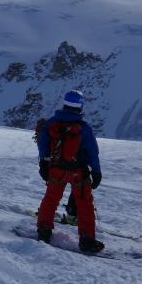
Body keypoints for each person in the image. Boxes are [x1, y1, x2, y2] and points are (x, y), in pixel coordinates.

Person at [36, 90, 104, 253]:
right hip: (78, 172)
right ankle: (87, 239)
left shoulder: (52, 123)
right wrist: (96, 172)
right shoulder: (84, 128)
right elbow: (93, 152)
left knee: (51, 199)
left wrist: (43, 165)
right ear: (80, 106)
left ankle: (44, 230)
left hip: (56, 169)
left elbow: (43, 146)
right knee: (85, 204)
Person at [35, 118, 78, 225]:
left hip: (54, 165)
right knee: (75, 188)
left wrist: (44, 166)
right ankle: (72, 215)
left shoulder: (45, 134)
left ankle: (44, 213)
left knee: (52, 191)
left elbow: (44, 153)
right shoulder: (56, 130)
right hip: (72, 163)